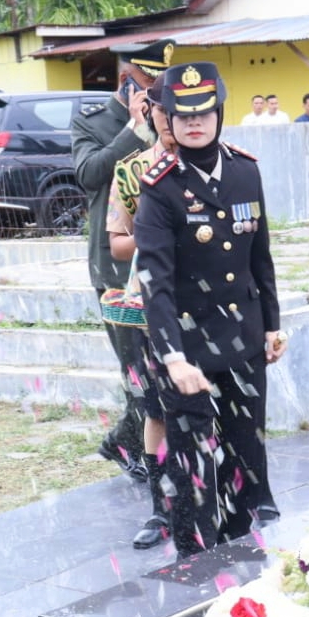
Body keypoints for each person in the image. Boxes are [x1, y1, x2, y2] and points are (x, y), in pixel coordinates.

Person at [134, 61, 286, 557]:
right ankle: (195, 569)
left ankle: (244, 555)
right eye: (183, 116)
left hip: (244, 339)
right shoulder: (159, 187)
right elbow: (154, 282)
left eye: (203, 113)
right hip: (188, 352)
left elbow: (260, 258)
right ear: (169, 122)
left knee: (246, 457)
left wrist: (272, 328)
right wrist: (172, 358)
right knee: (194, 469)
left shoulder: (246, 171)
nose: (194, 123)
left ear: (219, 114)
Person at [72, 38, 175, 484]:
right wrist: (132, 131)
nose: (156, 96)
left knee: (165, 369)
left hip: (167, 263)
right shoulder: (93, 120)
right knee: (138, 371)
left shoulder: (170, 115)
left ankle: (126, 442)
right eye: (149, 86)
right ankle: (139, 449)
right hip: (117, 265)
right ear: (126, 81)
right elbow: (88, 174)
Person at [105, 83, 177, 549]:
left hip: (207, 305)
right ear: (149, 112)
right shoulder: (131, 171)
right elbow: (116, 244)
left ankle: (212, 497)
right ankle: (160, 507)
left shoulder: (214, 164)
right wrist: (157, 235)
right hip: (150, 304)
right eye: (164, 112)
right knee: (156, 408)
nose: (174, 123)